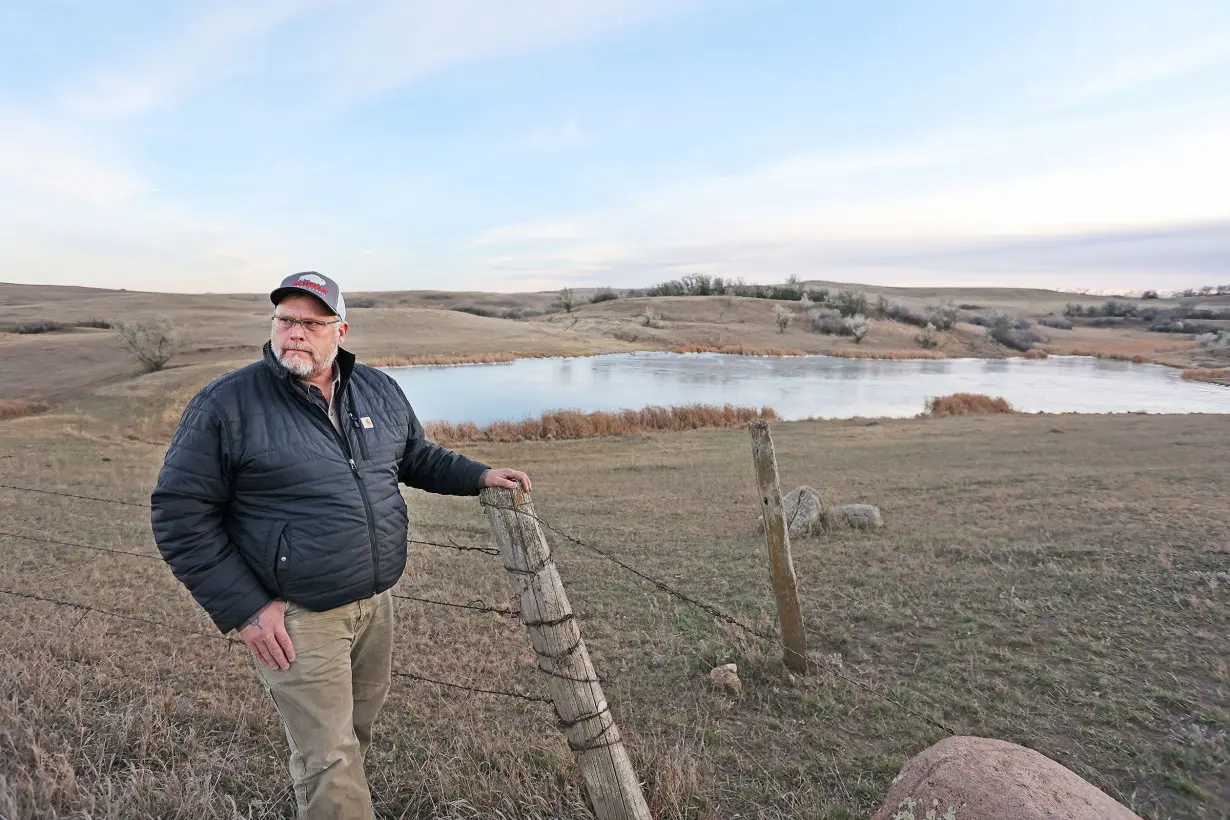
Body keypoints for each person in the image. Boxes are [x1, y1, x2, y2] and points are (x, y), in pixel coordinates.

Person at [150, 271, 530, 819]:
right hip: (298, 617)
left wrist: (481, 474)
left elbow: (414, 457)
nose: (295, 333)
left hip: (374, 604)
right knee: (328, 755)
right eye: (285, 320)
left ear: (340, 330)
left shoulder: (375, 388)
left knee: (353, 734)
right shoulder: (226, 404)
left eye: (311, 322)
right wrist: (247, 609)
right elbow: (179, 514)